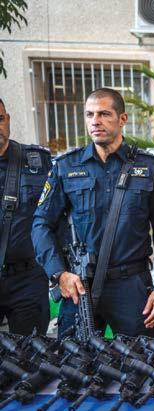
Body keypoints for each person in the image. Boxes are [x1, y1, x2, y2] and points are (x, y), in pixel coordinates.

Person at [32, 88, 154, 339]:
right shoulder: (67, 167)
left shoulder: (148, 167)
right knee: (75, 360)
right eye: (89, 114)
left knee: (142, 359)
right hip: (79, 285)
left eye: (104, 114)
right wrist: (59, 274)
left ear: (122, 119)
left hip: (132, 287)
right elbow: (41, 224)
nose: (95, 121)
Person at [0, 99, 52, 335]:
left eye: (0, 119)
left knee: (31, 351)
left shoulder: (37, 161)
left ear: (8, 120)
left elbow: (57, 216)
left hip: (27, 279)